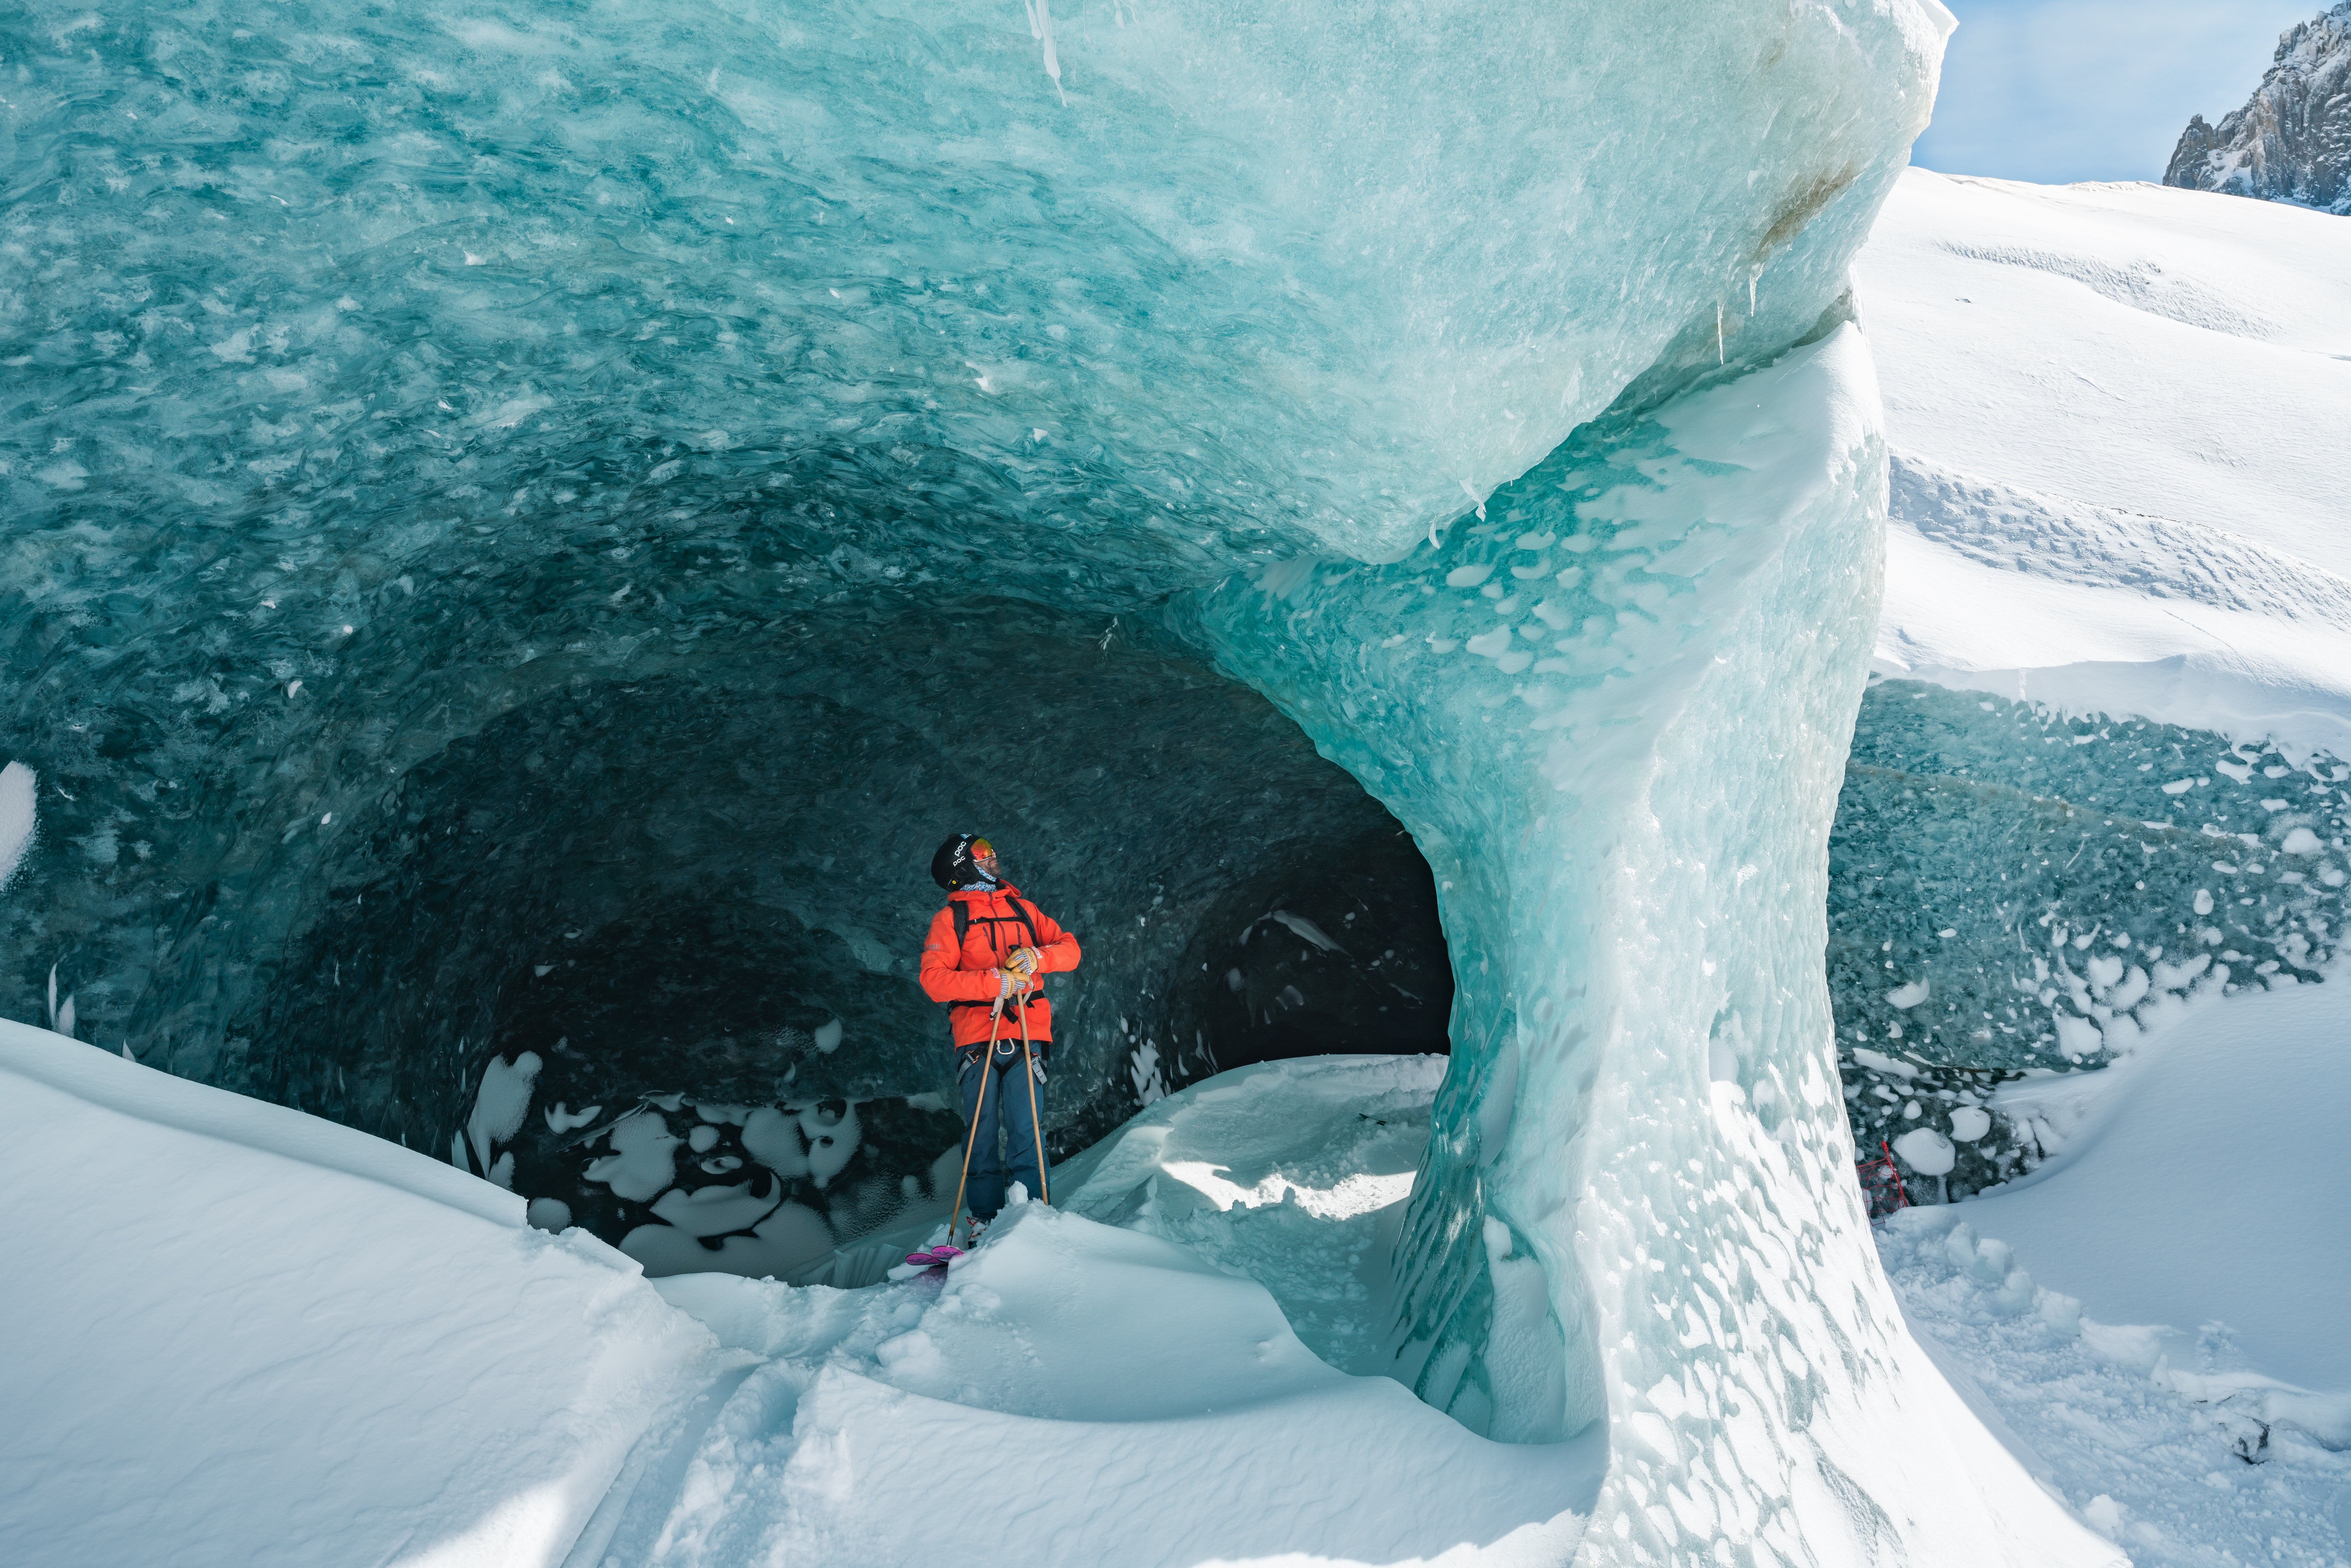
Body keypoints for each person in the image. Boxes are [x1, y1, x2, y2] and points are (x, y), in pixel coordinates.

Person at [919, 833, 1081, 1228]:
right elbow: (933, 980)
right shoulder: (951, 920)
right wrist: (995, 983)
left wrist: (1037, 956)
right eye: (981, 854)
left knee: (1026, 1126)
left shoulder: (1023, 909)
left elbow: (1071, 951)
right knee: (982, 1131)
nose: (992, 856)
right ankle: (985, 1219)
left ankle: (1035, 1219)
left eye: (988, 849)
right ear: (963, 868)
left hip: (1029, 1032)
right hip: (978, 1037)